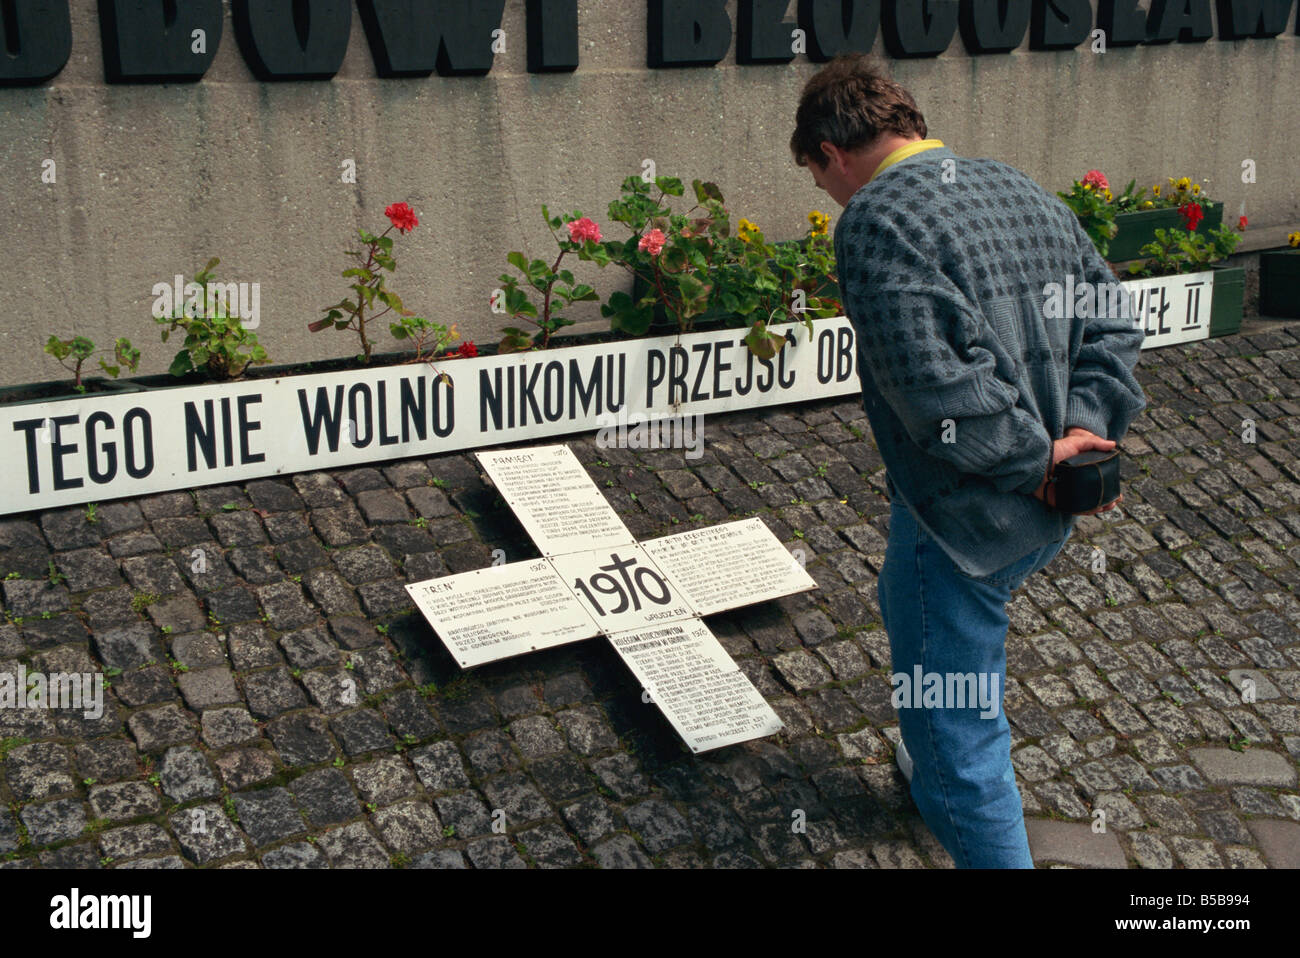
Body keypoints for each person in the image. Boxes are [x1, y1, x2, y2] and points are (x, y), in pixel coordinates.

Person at [789, 54, 1147, 868]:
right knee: (913, 606)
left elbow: (934, 392)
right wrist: (1080, 433)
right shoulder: (1021, 187)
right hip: (1043, 496)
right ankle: (921, 765)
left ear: (830, 152)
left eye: (821, 179)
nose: (831, 195)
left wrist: (1035, 460)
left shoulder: (877, 217)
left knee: (960, 725)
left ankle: (947, 782)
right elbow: (1112, 323)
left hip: (968, 514)